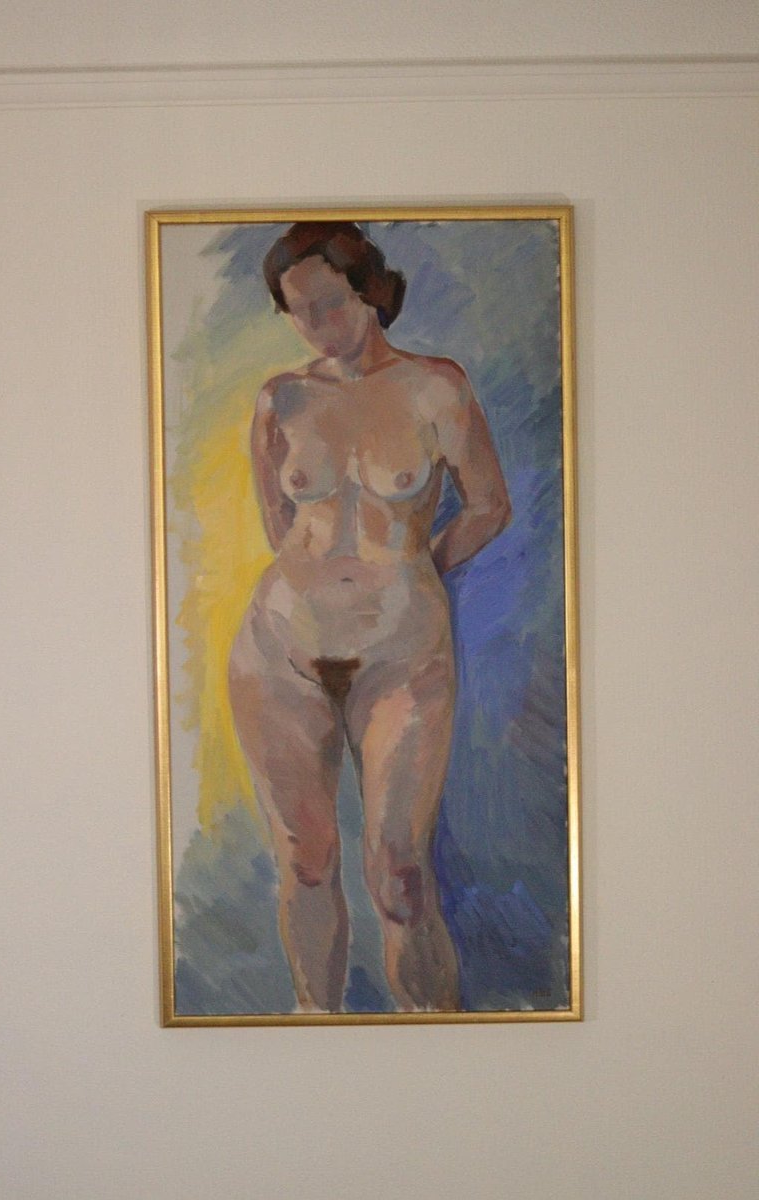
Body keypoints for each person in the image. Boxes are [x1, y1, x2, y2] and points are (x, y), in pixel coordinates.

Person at [228, 221, 511, 1013]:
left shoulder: (436, 388)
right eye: (298, 311)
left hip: (401, 657)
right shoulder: (281, 399)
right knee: (305, 862)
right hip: (281, 651)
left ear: (369, 290)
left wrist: (411, 575)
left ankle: (435, 1043)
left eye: (329, 302)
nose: (316, 323)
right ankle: (314, 1031)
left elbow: (489, 506)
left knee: (400, 873)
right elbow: (281, 528)